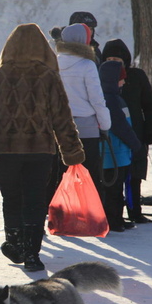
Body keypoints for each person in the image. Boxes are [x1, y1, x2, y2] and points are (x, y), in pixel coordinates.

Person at [0, 23, 85, 272]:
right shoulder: (48, 76)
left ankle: (15, 243)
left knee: (11, 198)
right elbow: (62, 116)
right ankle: (32, 254)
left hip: (6, 151)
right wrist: (71, 149)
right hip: (40, 150)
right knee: (36, 201)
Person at [101, 39, 152, 223]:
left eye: (117, 59)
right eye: (109, 58)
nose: (113, 62)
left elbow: (149, 106)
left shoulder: (137, 76)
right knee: (114, 176)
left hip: (137, 133)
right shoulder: (103, 78)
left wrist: (150, 130)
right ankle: (113, 214)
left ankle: (135, 211)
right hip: (113, 138)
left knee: (134, 175)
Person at [56, 23, 111, 195]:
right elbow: (96, 99)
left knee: (62, 177)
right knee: (90, 177)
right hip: (87, 127)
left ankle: (64, 216)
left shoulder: (53, 63)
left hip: (59, 127)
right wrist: (105, 125)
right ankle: (90, 216)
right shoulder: (87, 65)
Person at [98, 61, 142, 232]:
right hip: (112, 153)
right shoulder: (109, 100)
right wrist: (135, 143)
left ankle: (118, 218)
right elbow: (119, 125)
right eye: (121, 79)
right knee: (112, 190)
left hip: (121, 152)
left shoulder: (116, 98)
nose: (124, 82)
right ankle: (112, 220)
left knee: (117, 189)